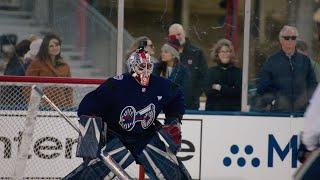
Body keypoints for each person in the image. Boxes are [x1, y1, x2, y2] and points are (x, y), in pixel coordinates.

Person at [64, 48, 191, 179]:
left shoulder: (160, 85)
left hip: (145, 137)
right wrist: (91, 133)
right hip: (117, 137)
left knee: (174, 174)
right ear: (132, 67)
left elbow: (176, 95)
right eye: (142, 66)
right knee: (91, 174)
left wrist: (173, 119)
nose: (146, 70)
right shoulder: (117, 84)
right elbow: (88, 106)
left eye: (149, 66)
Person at [256, 25, 317, 113]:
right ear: (281, 40)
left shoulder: (305, 60)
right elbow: (262, 87)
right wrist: (276, 100)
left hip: (302, 112)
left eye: (293, 38)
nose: (290, 40)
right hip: (279, 112)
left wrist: (306, 100)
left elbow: (313, 85)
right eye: (287, 38)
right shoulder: (272, 61)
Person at [25, 33, 73, 110]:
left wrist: (69, 105)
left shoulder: (65, 65)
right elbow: (27, 86)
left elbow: (69, 88)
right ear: (45, 48)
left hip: (62, 106)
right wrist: (33, 104)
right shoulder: (37, 63)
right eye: (51, 46)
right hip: (42, 106)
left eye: (57, 45)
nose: (55, 48)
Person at [168, 23, 208, 110]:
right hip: (169, 104)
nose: (177, 37)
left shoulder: (197, 53)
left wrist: (193, 95)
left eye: (179, 34)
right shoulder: (166, 54)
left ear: (184, 33)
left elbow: (204, 77)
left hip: (190, 105)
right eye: (173, 36)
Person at [203, 39, 242, 111]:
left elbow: (237, 92)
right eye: (222, 51)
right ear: (218, 54)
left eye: (227, 51)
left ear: (231, 53)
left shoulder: (238, 72)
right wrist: (228, 90)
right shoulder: (211, 72)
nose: (225, 54)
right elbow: (208, 92)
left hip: (233, 114)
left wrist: (219, 87)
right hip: (213, 112)